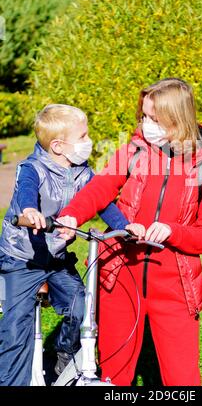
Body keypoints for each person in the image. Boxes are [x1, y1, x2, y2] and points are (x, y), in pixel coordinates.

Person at [58, 78, 202, 386]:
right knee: (113, 376)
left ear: (176, 119)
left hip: (176, 288)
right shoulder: (133, 152)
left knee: (182, 378)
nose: (145, 125)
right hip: (120, 276)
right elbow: (99, 189)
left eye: (154, 119)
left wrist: (172, 231)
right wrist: (71, 216)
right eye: (143, 116)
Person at [0, 104, 140, 386]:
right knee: (16, 331)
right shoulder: (32, 168)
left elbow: (101, 202)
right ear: (59, 146)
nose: (89, 142)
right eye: (84, 136)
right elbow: (26, 192)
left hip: (55, 257)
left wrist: (124, 227)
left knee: (82, 307)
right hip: (22, 259)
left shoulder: (82, 171)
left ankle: (65, 354)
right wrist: (30, 212)